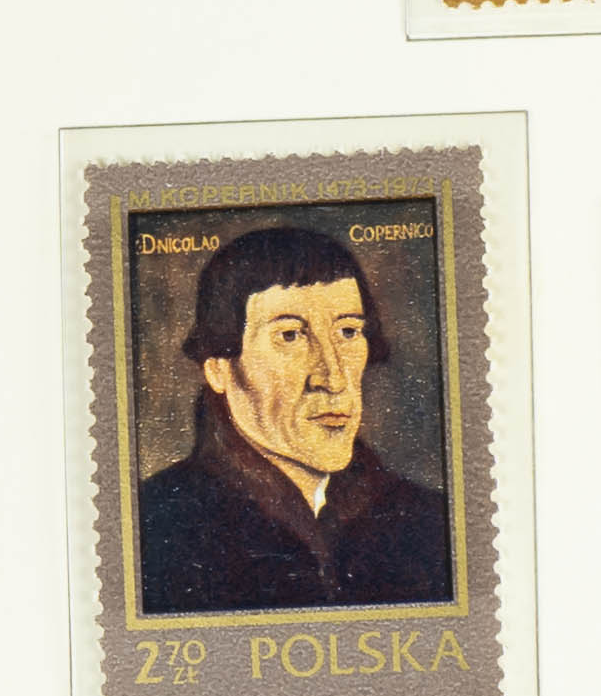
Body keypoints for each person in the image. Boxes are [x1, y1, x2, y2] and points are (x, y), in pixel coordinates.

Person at [129, 220, 461, 612]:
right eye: (290, 336)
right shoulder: (154, 523)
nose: (332, 377)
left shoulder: (430, 521)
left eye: (348, 332)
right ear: (219, 368)